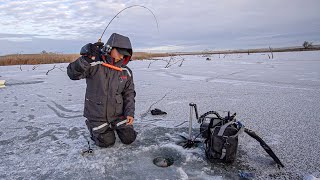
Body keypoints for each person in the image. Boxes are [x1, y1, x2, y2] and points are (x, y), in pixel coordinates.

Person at [67, 33, 137, 147]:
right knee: (107, 142)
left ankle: (113, 126)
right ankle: (93, 126)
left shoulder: (126, 71)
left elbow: (129, 94)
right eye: (119, 53)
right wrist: (86, 59)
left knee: (129, 137)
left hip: (117, 114)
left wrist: (129, 113)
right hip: (96, 115)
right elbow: (72, 74)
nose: (121, 57)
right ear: (110, 48)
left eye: (125, 55)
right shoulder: (94, 64)